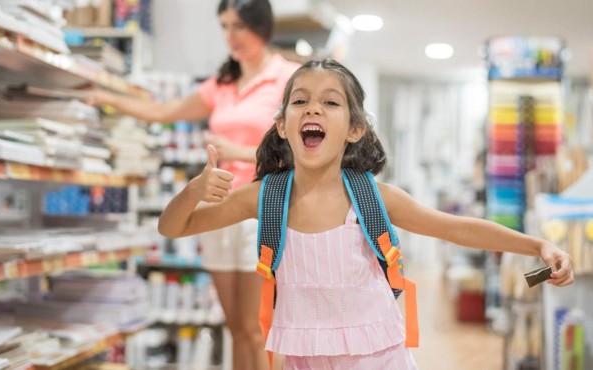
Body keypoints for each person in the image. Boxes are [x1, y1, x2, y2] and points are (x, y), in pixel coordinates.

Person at [157, 58, 574, 369]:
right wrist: (194, 190)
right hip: (303, 359)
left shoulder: (372, 198)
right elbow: (173, 227)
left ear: (355, 129)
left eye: (330, 102)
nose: (313, 109)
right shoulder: (265, 198)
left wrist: (537, 244)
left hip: (381, 357)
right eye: (299, 101)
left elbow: (454, 228)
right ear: (283, 125)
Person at [89, 1, 299, 369]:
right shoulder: (223, 84)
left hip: (261, 207)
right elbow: (161, 112)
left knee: (256, 327)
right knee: (234, 325)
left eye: (239, 26)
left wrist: (242, 152)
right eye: (225, 26)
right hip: (217, 210)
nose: (231, 36)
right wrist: (104, 96)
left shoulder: (288, 78)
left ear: (261, 27)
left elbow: (302, 150)